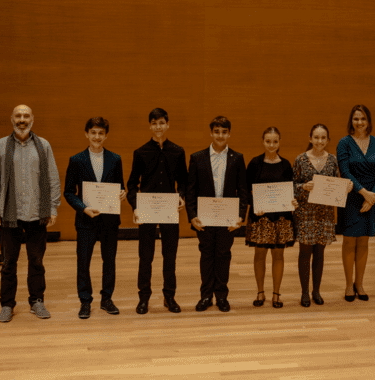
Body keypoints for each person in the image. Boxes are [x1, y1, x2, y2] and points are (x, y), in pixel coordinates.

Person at [0, 104, 61, 322]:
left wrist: (52, 207)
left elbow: (53, 179)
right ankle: (7, 304)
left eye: (26, 116)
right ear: (11, 119)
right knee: (9, 262)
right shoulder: (0, 146)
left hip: (38, 213)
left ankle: (37, 301)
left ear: (32, 120)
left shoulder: (43, 145)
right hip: (10, 215)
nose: (22, 119)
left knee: (36, 261)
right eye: (18, 116)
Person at [126, 108, 188, 315]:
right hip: (147, 212)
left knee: (170, 256)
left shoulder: (178, 152)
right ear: (150, 126)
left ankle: (169, 297)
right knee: (146, 256)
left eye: (162, 122)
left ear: (167, 124)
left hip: (170, 211)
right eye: (154, 123)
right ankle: (143, 298)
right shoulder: (140, 152)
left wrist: (182, 196)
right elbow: (132, 184)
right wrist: (136, 207)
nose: (158, 127)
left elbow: (185, 182)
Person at [64, 117, 126, 319]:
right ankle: (85, 301)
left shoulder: (115, 159)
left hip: (109, 220)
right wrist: (83, 208)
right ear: (86, 134)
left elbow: (120, 187)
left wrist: (122, 194)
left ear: (106, 135)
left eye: (101, 133)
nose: (97, 137)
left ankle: (107, 299)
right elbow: (69, 192)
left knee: (109, 261)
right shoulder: (76, 160)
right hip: (86, 220)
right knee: (83, 262)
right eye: (93, 133)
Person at [185, 116, 248, 312]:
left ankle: (221, 296)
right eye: (217, 131)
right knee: (206, 255)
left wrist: (240, 216)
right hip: (204, 218)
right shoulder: (197, 158)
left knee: (223, 255)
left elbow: (243, 190)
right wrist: (192, 215)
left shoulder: (237, 158)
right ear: (211, 133)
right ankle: (205, 296)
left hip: (228, 219)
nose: (220, 135)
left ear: (229, 133)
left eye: (224, 131)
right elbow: (190, 191)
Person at [293, 124, 352, 307]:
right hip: (306, 213)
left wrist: (346, 188)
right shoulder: (300, 159)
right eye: (316, 137)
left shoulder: (333, 160)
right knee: (305, 252)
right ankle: (304, 293)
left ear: (328, 140)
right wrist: (303, 187)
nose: (319, 141)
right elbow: (291, 185)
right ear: (310, 138)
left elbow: (336, 185)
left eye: (323, 138)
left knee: (320, 253)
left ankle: (316, 291)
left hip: (325, 214)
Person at [337, 105, 375, 302]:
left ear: (368, 121)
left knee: (364, 241)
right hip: (351, 197)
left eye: (363, 119)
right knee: (349, 241)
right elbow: (345, 171)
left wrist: (372, 196)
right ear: (351, 121)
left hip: (371, 198)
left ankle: (360, 283)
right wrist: (364, 193)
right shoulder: (344, 143)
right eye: (356, 119)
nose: (359, 122)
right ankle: (349, 284)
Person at [246, 127, 298, 308]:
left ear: (279, 142)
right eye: (268, 141)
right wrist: (255, 205)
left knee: (278, 256)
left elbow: (290, 190)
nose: (271, 145)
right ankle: (260, 292)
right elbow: (246, 190)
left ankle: (276, 293)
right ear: (263, 141)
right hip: (261, 218)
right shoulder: (254, 163)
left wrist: (293, 201)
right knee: (259, 255)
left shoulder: (285, 165)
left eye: (275, 141)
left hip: (281, 219)